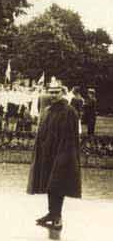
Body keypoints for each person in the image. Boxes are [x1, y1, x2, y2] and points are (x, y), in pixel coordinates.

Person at [27, 81, 81, 231]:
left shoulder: (69, 111)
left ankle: (58, 217)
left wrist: (64, 156)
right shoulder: (47, 110)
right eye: (51, 92)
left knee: (58, 185)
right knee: (49, 186)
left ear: (62, 93)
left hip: (62, 154)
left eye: (57, 92)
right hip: (47, 154)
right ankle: (51, 213)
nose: (53, 95)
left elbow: (70, 138)